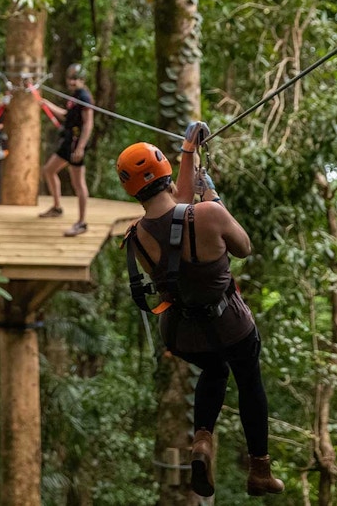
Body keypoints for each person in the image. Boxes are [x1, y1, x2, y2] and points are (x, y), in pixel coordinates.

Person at [117, 123, 285, 498]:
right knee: (247, 378)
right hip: (229, 324)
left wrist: (189, 153)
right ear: (162, 173)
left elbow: (171, 215)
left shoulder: (134, 237)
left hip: (182, 333)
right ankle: (259, 469)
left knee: (214, 366)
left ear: (129, 186)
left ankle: (202, 441)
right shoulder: (208, 213)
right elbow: (244, 248)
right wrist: (214, 198)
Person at [38, 63, 94, 237]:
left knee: (78, 183)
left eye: (76, 79)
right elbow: (65, 115)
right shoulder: (75, 96)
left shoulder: (84, 97)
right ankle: (57, 207)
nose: (72, 81)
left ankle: (82, 222)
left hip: (76, 142)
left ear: (82, 80)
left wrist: (81, 147)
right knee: (48, 171)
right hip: (68, 141)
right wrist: (46, 104)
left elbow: (88, 123)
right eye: (70, 78)